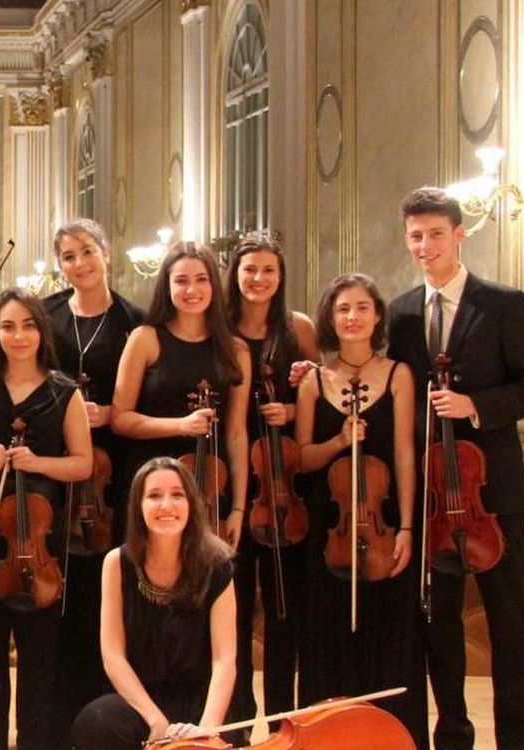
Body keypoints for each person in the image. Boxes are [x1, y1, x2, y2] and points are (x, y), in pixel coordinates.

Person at [385, 187, 524, 750]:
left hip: (492, 496)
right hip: (435, 496)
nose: (425, 245)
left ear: (460, 234)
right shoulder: (402, 312)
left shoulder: (503, 303)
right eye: (416, 236)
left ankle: (517, 741)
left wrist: (475, 405)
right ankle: (453, 734)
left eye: (436, 233)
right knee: (441, 627)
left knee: (509, 626)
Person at [0, 288, 93, 750]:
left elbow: (83, 463)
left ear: (41, 331)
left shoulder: (64, 391)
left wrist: (36, 463)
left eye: (28, 325)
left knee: (40, 655)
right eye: (8, 326)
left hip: (39, 534)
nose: (18, 335)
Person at [294, 273, 426, 746]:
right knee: (327, 640)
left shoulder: (398, 374)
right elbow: (305, 457)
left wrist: (408, 526)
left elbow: (407, 453)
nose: (353, 317)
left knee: (389, 637)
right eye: (343, 308)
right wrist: (338, 440)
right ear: (331, 317)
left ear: (377, 316)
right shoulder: (313, 380)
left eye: (362, 308)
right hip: (330, 531)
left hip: (385, 526)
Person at [39, 219, 145, 743]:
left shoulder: (133, 320)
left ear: (106, 252)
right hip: (58, 470)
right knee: (61, 594)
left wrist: (111, 412)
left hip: (112, 473)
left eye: (86, 252)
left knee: (105, 595)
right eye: (67, 256)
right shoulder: (49, 315)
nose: (78, 263)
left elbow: (142, 394)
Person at [71, 457, 236, 750]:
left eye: (177, 494)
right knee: (96, 721)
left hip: (201, 702)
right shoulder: (116, 563)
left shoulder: (217, 564)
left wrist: (206, 732)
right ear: (138, 506)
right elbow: (113, 657)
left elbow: (224, 662)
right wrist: (155, 721)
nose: (166, 506)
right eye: (154, 496)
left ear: (191, 504)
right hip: (141, 701)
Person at [224, 231, 319, 728]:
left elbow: (326, 392)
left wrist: (298, 399)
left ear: (280, 278)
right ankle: (238, 721)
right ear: (235, 275)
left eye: (268, 271)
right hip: (237, 484)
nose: (258, 279)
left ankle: (286, 723)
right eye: (249, 270)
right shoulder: (219, 330)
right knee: (234, 615)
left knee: (285, 616)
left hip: (288, 492)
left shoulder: (298, 329)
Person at [112, 242, 251, 550]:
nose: (192, 289)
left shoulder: (236, 350)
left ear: (214, 284)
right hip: (151, 486)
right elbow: (120, 419)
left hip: (213, 487)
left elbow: (237, 433)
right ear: (167, 286)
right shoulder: (145, 339)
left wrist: (239, 508)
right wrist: (181, 425)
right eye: (181, 280)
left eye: (201, 279)